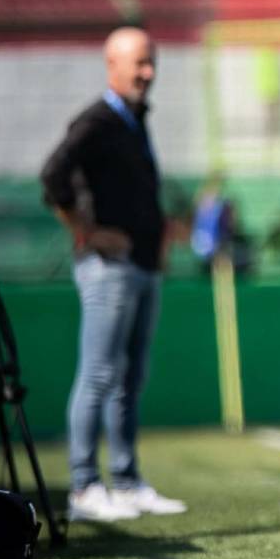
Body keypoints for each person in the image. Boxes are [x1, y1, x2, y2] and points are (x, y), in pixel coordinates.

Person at [40, 26, 187, 522]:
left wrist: (159, 237)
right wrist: (87, 232)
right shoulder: (98, 121)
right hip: (108, 269)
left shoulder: (135, 119)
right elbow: (52, 177)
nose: (148, 73)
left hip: (143, 267)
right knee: (99, 375)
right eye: (139, 63)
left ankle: (125, 481)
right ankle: (84, 487)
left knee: (130, 380)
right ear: (112, 65)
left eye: (152, 63)